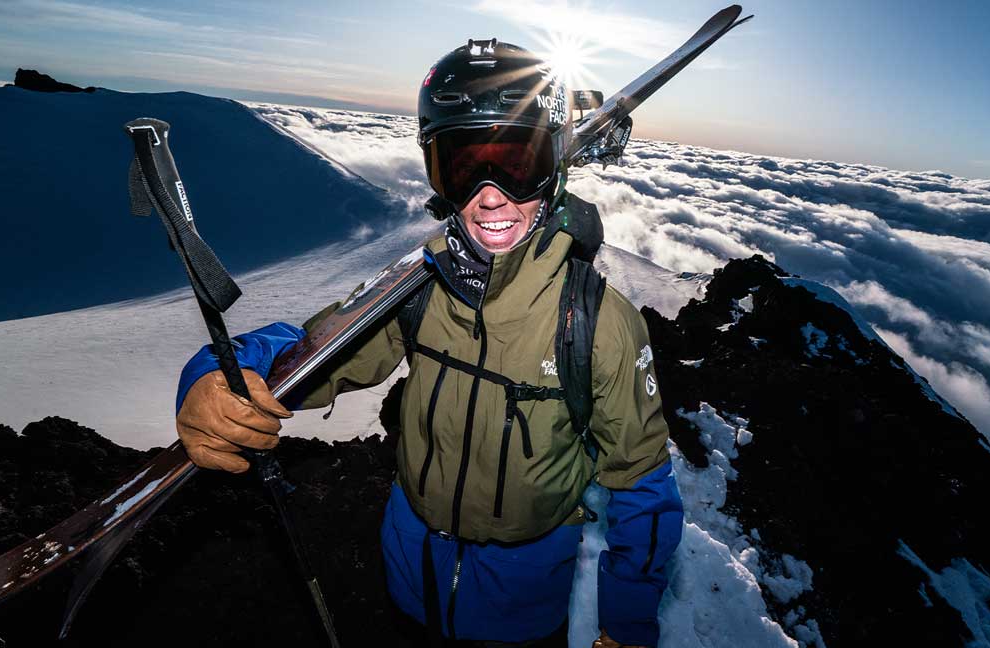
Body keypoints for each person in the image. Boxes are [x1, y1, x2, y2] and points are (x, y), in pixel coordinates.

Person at [174, 40, 683, 648]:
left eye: (514, 165)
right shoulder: (418, 290)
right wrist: (214, 374)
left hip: (521, 607)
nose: (489, 195)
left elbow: (643, 486)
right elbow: (310, 350)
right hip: (410, 579)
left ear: (554, 171)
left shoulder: (599, 323)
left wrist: (627, 627)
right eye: (463, 167)